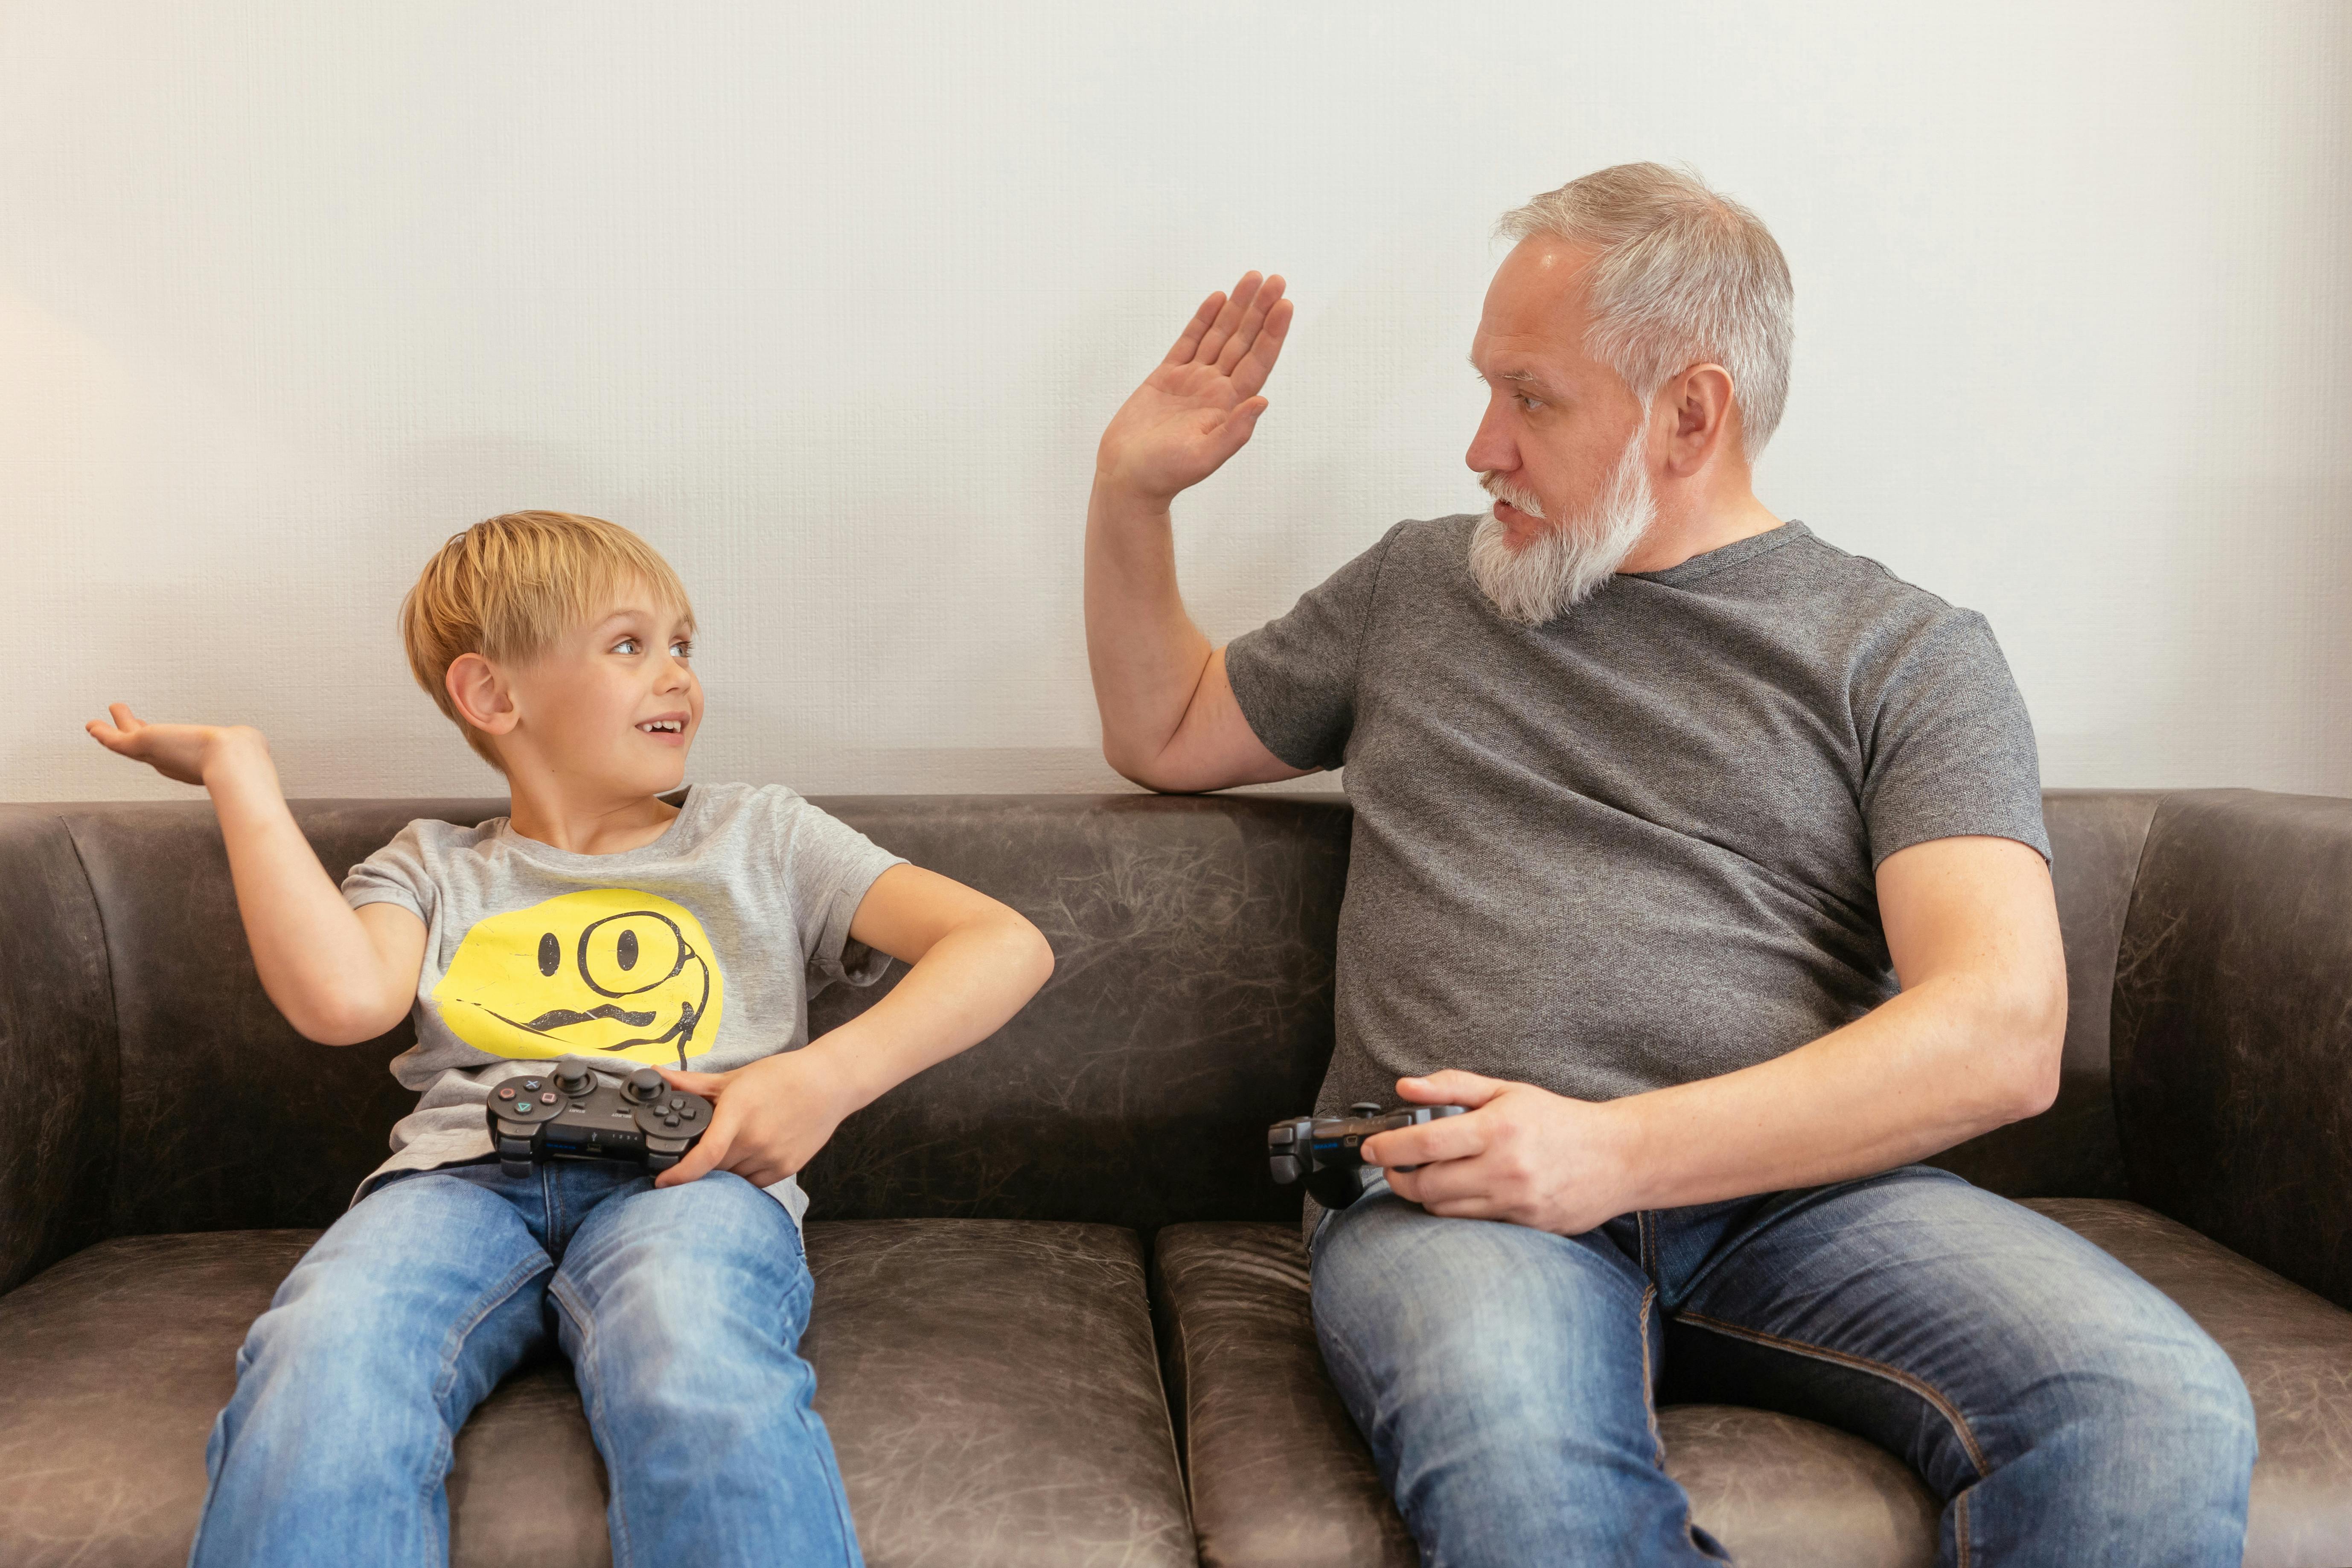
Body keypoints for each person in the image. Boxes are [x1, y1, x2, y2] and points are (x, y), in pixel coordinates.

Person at [1083, 164, 2255, 1564]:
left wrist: (1608, 1149)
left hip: (1805, 1200)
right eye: (1487, 390)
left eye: (1532, 397)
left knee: (2154, 1402)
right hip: (1461, 1195)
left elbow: (2000, 1033)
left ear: (1689, 412)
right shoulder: (1417, 587)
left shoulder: (1905, 654)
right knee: (1526, 1466)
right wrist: (1129, 495)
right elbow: (1165, 727)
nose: (1482, 445)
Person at [88, 510, 1055, 1568]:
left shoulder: (761, 835)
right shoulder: (430, 864)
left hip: (689, 1181)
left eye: (683, 644)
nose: (678, 675)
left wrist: (825, 1076)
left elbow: (1001, 942)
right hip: (458, 1182)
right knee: (324, 1351)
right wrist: (240, 771)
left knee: (691, 1356)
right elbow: (339, 1001)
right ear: (493, 695)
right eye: (630, 644)